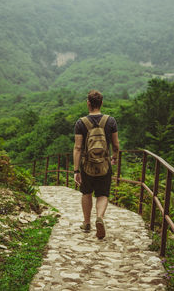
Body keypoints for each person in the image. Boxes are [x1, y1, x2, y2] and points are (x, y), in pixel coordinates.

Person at [73, 90, 119, 239]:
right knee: (103, 194)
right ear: (101, 103)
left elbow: (78, 147)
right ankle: (99, 217)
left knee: (86, 193)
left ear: (88, 103)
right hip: (104, 165)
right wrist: (114, 157)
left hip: (87, 165)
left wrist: (76, 170)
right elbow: (116, 145)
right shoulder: (110, 121)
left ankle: (86, 223)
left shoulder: (81, 123)